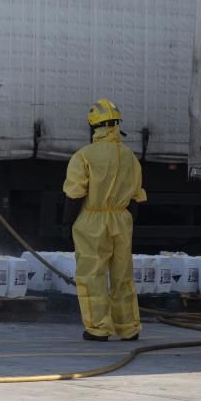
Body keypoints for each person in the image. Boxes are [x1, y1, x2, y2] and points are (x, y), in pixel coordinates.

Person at [62, 98, 146, 342]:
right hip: (122, 219)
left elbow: (74, 194)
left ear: (93, 127)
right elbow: (137, 195)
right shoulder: (130, 156)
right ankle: (128, 328)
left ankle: (98, 328)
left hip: (92, 219)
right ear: (117, 125)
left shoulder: (84, 156)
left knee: (92, 276)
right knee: (123, 276)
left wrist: (66, 223)